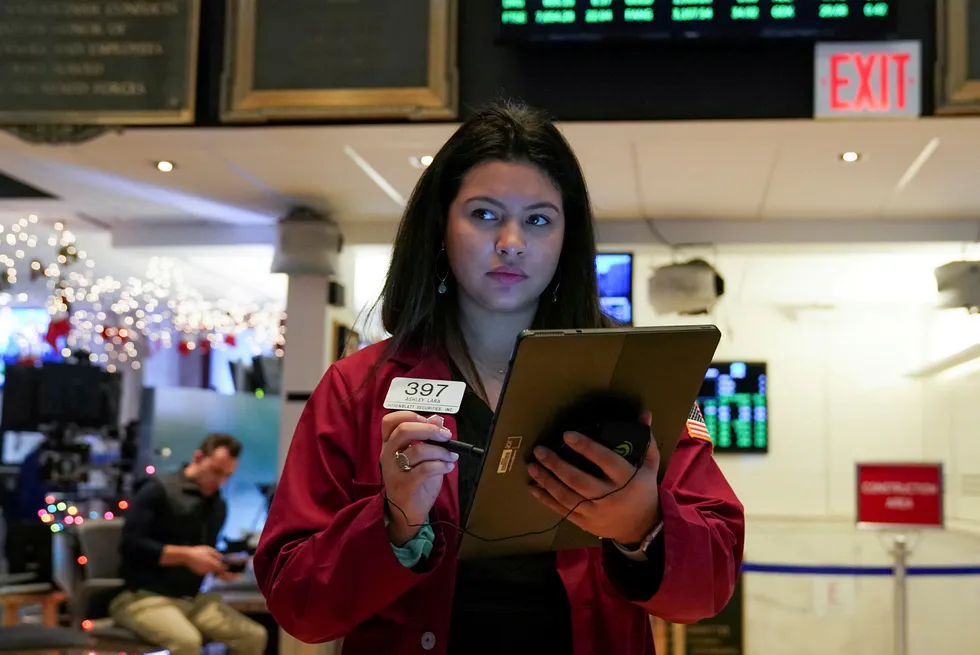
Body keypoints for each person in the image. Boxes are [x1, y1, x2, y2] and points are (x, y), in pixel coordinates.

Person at [253, 102, 745, 655]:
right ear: (441, 226)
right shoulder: (358, 387)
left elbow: (711, 584)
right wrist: (393, 522)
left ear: (567, 237)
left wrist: (643, 526)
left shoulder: (634, 375)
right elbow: (297, 604)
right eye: (484, 214)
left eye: (538, 219)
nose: (511, 241)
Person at [112, 433, 267, 655]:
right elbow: (131, 545)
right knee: (187, 643)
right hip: (141, 597)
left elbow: (201, 552)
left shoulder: (217, 506)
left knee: (253, 636)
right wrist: (187, 555)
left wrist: (218, 566)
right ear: (198, 458)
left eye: (227, 476)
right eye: (216, 471)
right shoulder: (157, 489)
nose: (220, 481)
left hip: (191, 599)